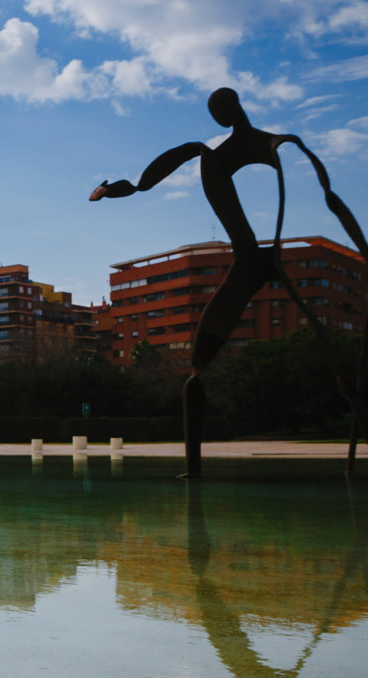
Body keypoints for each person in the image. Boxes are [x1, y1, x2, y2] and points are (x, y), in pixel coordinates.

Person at [91, 87, 347, 476]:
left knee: (328, 350)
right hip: (247, 263)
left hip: (271, 258)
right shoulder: (213, 154)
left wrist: (366, 253)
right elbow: (147, 182)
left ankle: (366, 438)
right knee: (197, 368)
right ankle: (193, 469)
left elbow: (329, 195)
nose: (219, 118)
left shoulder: (281, 145)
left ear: (235, 107)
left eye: (221, 110)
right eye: (215, 112)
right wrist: (114, 190)